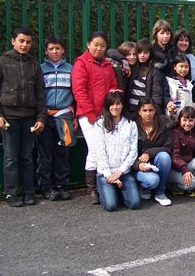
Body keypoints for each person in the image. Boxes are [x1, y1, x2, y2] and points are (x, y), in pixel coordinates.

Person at [0, 27, 47, 207]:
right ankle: (11, 193)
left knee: (27, 157)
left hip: (29, 117)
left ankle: (29, 192)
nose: (24, 45)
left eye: (28, 42)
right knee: (11, 157)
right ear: (13, 41)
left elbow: (40, 94)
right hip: (9, 118)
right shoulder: (1, 62)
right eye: (21, 41)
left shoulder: (34, 65)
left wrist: (41, 118)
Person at [71, 31, 118, 204]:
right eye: (96, 45)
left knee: (104, 149)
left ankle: (99, 186)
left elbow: (113, 86)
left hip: (105, 115)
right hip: (88, 115)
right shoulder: (81, 63)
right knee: (95, 150)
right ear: (88, 44)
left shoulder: (107, 65)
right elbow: (79, 91)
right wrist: (91, 114)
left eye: (103, 46)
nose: (99, 49)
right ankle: (92, 188)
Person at [36, 35, 75, 201]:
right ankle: (45, 187)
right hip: (46, 116)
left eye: (57, 48)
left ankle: (61, 185)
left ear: (63, 50)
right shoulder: (40, 69)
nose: (55, 52)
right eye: (51, 49)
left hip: (64, 116)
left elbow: (76, 93)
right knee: (45, 153)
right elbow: (37, 94)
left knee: (62, 152)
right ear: (46, 51)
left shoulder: (71, 69)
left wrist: (74, 115)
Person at [94, 91, 140, 212]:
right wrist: (109, 175)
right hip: (106, 173)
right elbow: (100, 151)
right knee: (111, 206)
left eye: (118, 104)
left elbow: (133, 151)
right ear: (107, 106)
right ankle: (107, 189)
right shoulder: (100, 123)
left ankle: (118, 190)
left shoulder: (131, 124)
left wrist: (119, 172)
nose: (115, 107)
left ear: (122, 105)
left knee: (134, 203)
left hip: (123, 172)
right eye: (112, 104)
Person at [133, 98, 173, 206]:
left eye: (151, 110)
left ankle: (160, 192)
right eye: (144, 110)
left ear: (155, 111)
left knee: (165, 157)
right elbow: (127, 152)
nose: (148, 114)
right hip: (138, 165)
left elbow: (169, 147)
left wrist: (149, 152)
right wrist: (138, 165)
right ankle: (143, 187)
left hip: (156, 162)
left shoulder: (163, 123)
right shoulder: (132, 126)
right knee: (152, 181)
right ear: (139, 112)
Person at [126, 38, 163, 116]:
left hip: (145, 112)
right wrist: (122, 60)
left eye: (145, 53)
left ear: (150, 54)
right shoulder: (131, 67)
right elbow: (111, 52)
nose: (142, 55)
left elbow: (156, 95)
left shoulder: (154, 72)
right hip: (129, 110)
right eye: (139, 52)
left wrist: (155, 114)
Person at [165, 54, 195, 119]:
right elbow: (167, 97)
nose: (184, 69)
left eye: (186, 67)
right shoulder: (169, 82)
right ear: (175, 67)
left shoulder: (190, 83)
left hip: (190, 116)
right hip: (176, 116)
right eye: (181, 66)